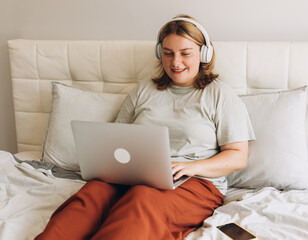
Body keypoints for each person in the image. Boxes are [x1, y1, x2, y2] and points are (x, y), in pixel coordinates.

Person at [35, 14, 255, 240]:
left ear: (204, 54)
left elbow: (237, 156)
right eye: (168, 53)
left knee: (142, 199)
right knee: (91, 195)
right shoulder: (145, 90)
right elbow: (115, 138)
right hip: (134, 175)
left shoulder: (220, 95)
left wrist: (192, 167)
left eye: (185, 53)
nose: (175, 62)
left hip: (196, 182)